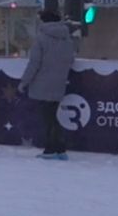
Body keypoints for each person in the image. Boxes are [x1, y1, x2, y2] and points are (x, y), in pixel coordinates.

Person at [19, 9, 77, 160]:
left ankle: (51, 148)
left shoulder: (41, 39)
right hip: (59, 82)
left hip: (42, 83)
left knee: (48, 118)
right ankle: (59, 148)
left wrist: (24, 82)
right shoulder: (67, 39)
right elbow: (70, 60)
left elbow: (34, 63)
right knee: (53, 116)